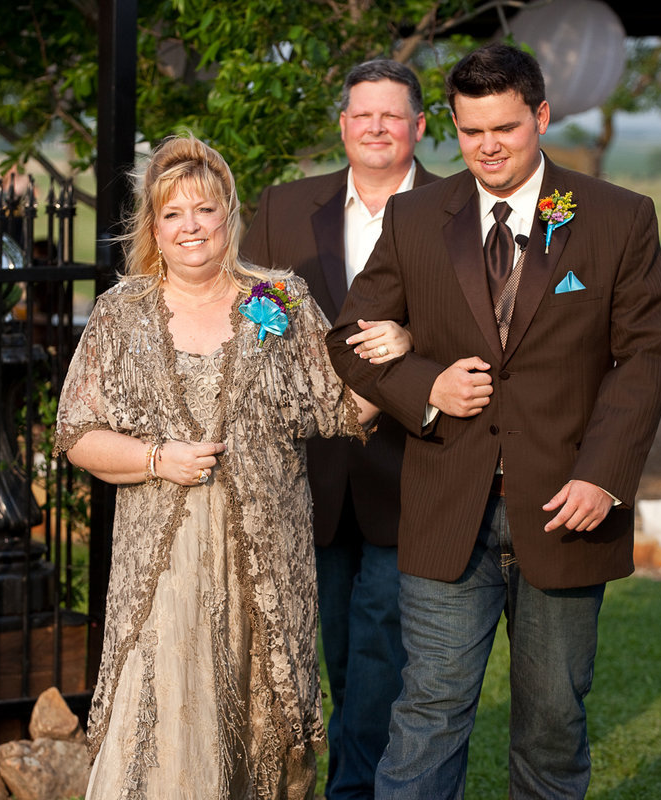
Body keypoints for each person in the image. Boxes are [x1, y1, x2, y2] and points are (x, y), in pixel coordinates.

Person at [325, 43, 661, 799]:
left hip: (566, 511)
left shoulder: (618, 218)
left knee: (551, 725)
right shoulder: (417, 216)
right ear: (452, 125)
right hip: (448, 508)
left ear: (540, 117)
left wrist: (602, 477)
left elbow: (642, 362)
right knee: (427, 715)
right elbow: (349, 337)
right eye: (472, 130)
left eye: (506, 129)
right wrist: (426, 385)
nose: (488, 147)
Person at [53, 135, 411, 799]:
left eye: (205, 210)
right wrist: (158, 457)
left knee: (261, 721)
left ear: (230, 215)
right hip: (162, 568)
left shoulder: (276, 300)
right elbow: (76, 431)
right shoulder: (121, 313)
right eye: (173, 214)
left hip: (265, 569)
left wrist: (403, 350)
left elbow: (341, 404)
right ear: (154, 227)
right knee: (163, 723)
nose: (191, 226)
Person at [241, 59, 437, 799]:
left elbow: (474, 324)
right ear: (344, 125)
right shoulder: (286, 208)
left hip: (414, 465)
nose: (377, 127)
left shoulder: (454, 209)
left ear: (419, 127)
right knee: (337, 651)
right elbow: (255, 313)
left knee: (383, 642)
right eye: (363, 114)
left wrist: (397, 377)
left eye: (393, 115)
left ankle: (352, 790)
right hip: (310, 473)